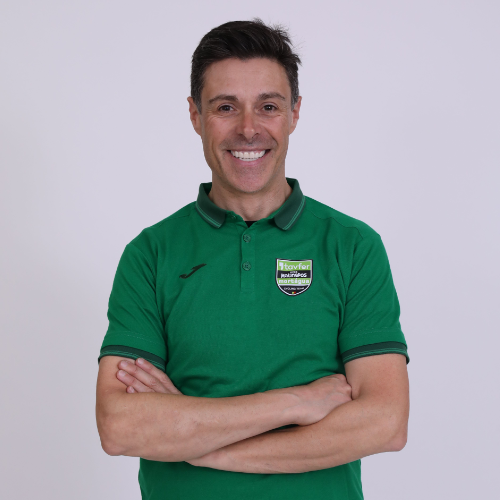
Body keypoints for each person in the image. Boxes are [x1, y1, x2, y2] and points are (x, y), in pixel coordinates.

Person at [96, 18, 410, 500]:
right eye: (225, 107)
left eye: (268, 106)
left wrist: (200, 447)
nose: (248, 128)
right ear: (195, 115)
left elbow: (385, 422)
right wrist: (295, 402)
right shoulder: (150, 254)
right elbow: (120, 426)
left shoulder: (352, 246)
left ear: (294, 113)